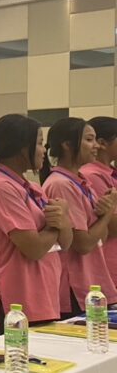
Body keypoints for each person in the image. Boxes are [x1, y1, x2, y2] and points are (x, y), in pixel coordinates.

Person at [0, 114, 71, 338]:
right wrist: (56, 224)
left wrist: (62, 220)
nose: (44, 150)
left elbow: (66, 243)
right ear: (22, 147)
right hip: (13, 301)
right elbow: (33, 248)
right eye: (39, 143)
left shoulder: (31, 187)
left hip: (40, 295)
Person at [40, 118, 117, 314]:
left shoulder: (81, 182)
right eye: (89, 140)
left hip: (91, 279)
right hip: (75, 284)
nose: (96, 146)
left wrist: (103, 214)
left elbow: (102, 237)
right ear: (67, 145)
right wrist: (108, 214)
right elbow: (83, 244)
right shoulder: (61, 184)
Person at [80, 116, 117, 283]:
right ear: (102, 143)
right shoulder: (93, 175)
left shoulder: (110, 172)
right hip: (109, 262)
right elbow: (112, 226)